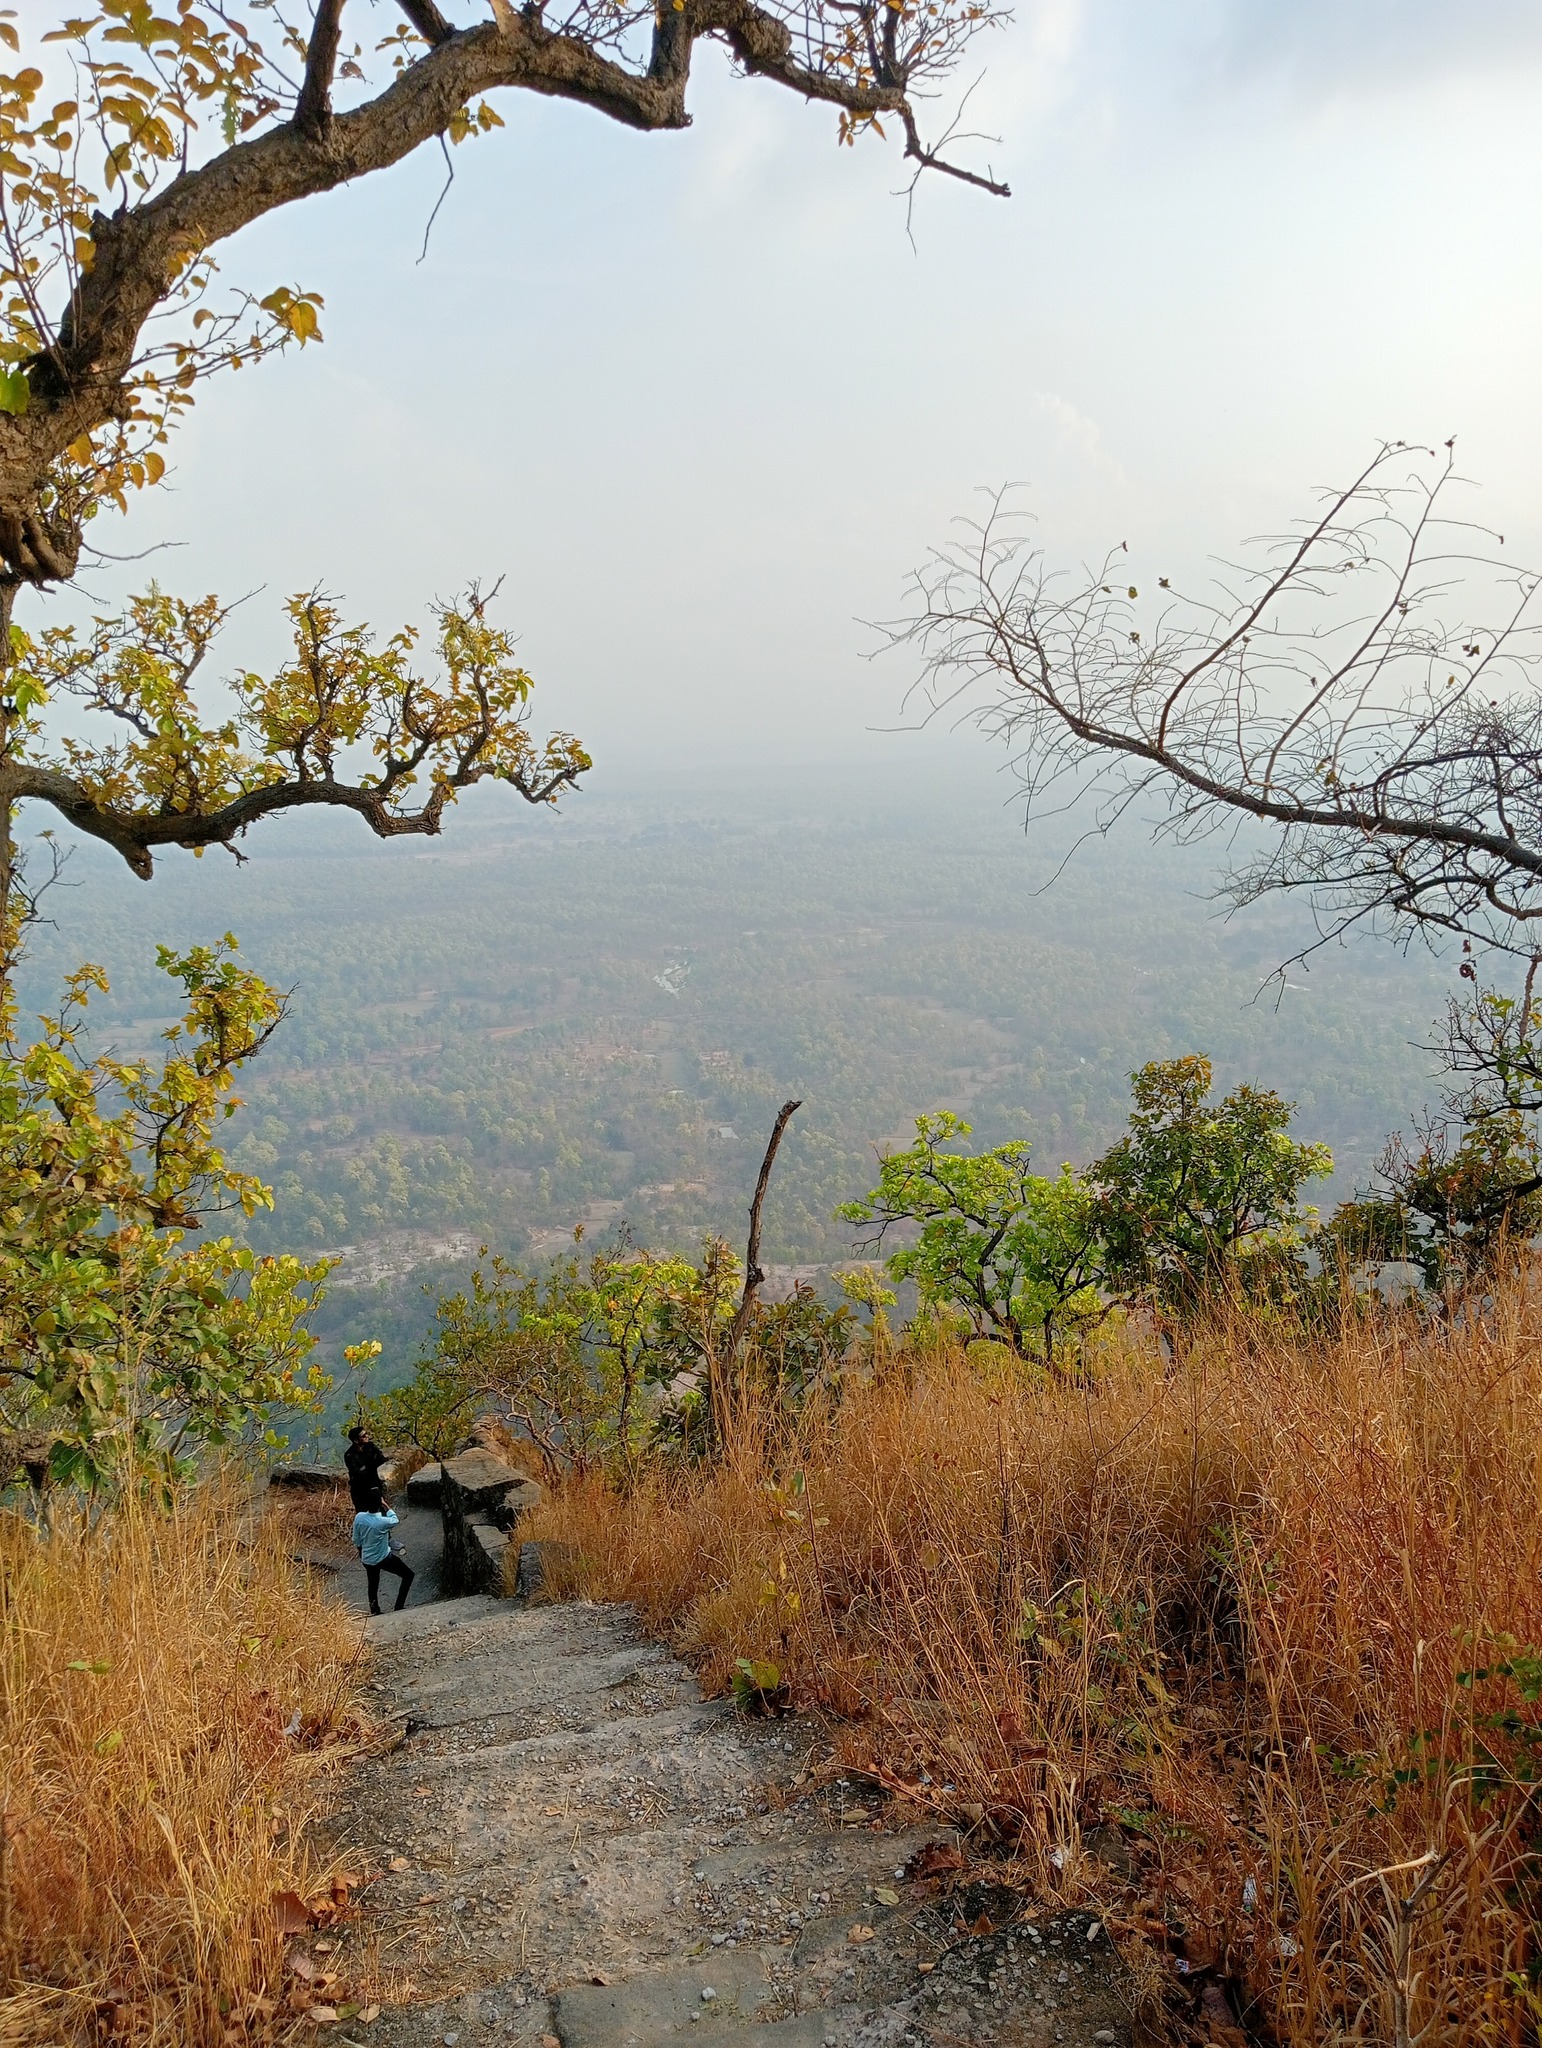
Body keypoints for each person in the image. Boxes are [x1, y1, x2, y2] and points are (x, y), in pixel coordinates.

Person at [351, 1487, 415, 1614]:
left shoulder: (359, 1517)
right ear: (379, 1503)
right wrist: (385, 1505)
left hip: (367, 1559)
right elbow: (395, 1520)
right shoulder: (382, 1522)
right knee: (408, 1575)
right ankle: (399, 1606)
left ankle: (375, 1610)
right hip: (384, 1558)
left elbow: (356, 1539)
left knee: (373, 1583)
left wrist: (362, 1550)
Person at [344, 1423, 388, 1509]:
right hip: (359, 1489)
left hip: (374, 1484)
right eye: (363, 1436)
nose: (367, 1436)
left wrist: (366, 1466)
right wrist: (370, 1464)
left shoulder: (370, 1446)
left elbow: (381, 1459)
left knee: (379, 1509)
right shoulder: (349, 1455)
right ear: (356, 1440)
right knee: (362, 1511)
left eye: (366, 1433)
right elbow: (357, 1473)